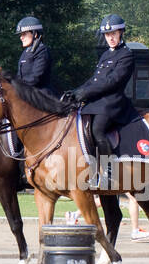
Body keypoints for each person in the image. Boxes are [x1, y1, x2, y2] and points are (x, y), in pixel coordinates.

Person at [63, 14, 136, 190]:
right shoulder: (105, 55)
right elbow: (94, 80)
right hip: (97, 101)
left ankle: (109, 172)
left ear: (121, 33)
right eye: (107, 34)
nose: (110, 37)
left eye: (114, 33)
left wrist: (85, 93)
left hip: (112, 102)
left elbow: (112, 82)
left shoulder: (126, 55)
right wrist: (75, 92)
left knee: (97, 129)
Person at [14, 16, 58, 96]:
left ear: (35, 34)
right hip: (26, 92)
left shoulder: (43, 51)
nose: (21, 38)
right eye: (20, 35)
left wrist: (19, 87)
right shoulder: (25, 53)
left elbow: (35, 78)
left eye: (24, 34)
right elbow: (19, 76)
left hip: (41, 95)